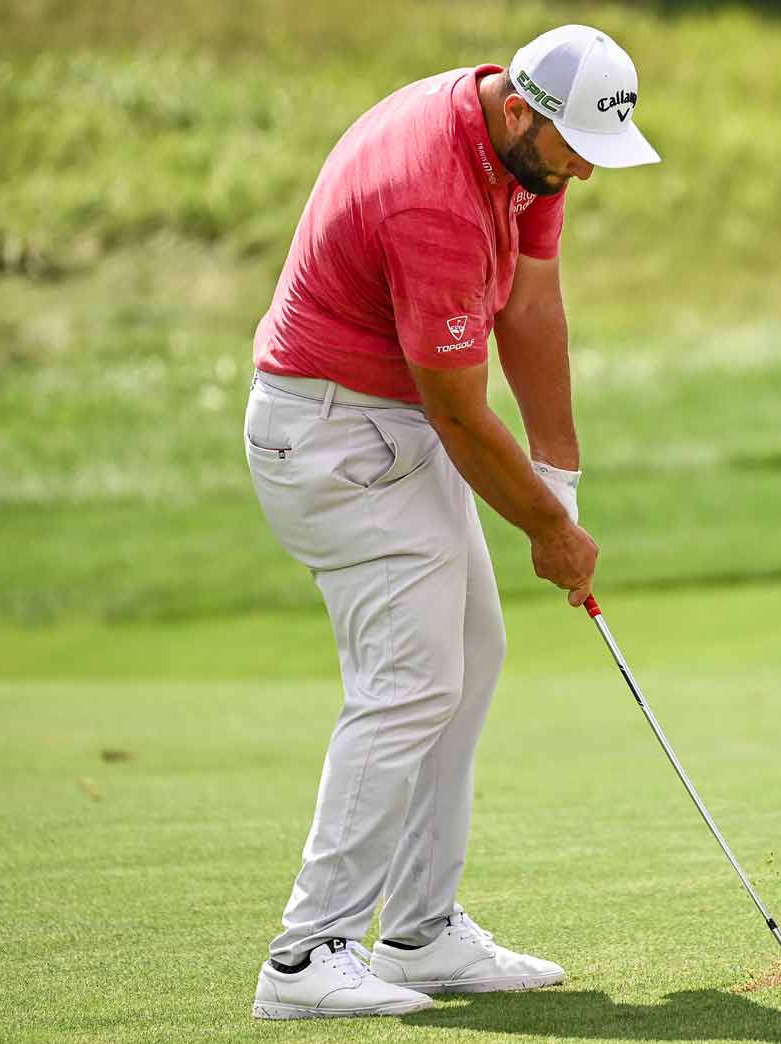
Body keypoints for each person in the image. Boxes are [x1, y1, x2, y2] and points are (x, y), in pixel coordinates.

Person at [240, 24, 660, 1020]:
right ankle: (305, 958)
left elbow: (532, 306)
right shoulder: (434, 198)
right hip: (335, 436)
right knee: (410, 680)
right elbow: (460, 412)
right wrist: (547, 535)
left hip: (384, 423)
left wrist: (558, 477)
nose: (585, 177)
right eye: (577, 153)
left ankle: (420, 930)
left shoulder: (524, 157)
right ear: (521, 113)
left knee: (469, 655)